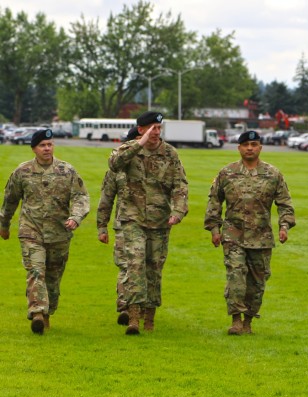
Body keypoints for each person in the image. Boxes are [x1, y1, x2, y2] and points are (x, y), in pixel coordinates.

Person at [205, 130, 295, 335]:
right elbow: (214, 202)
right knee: (236, 276)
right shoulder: (227, 173)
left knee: (257, 282)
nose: (250, 148)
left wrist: (284, 226)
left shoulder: (273, 174)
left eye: (254, 144)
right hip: (233, 234)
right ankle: (236, 321)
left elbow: (285, 203)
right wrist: (214, 229)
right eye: (246, 145)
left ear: (260, 147)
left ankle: (248, 322)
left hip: (261, 237)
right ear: (239, 148)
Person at [0, 129, 90, 334]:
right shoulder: (22, 172)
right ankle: (38, 312)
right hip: (31, 231)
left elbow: (81, 197)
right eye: (42, 145)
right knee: (36, 271)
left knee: (53, 278)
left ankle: (47, 313)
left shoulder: (67, 171)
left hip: (59, 233)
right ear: (34, 149)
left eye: (50, 144)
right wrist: (4, 225)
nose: (47, 148)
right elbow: (10, 201)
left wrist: (75, 218)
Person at [108, 112, 188, 335]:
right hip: (132, 219)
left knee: (154, 269)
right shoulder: (129, 151)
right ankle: (133, 317)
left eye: (159, 128)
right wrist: (139, 143)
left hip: (160, 221)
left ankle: (150, 318)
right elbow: (114, 163)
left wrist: (178, 211)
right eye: (151, 128)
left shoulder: (170, 154)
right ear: (141, 129)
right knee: (135, 265)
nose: (156, 133)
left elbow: (180, 186)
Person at [97, 126, 140, 326]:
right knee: (125, 265)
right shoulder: (116, 170)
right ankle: (125, 306)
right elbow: (106, 199)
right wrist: (102, 227)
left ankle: (142, 308)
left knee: (144, 267)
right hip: (123, 225)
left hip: (149, 225)